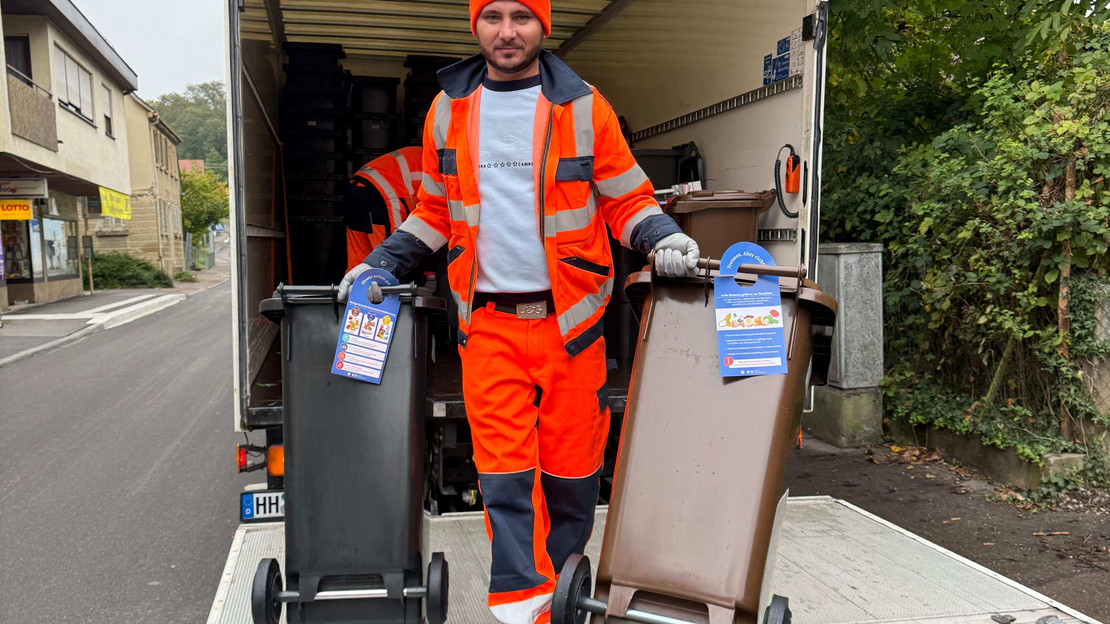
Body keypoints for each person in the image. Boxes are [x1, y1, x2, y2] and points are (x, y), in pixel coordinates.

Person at [338, 1, 700, 622]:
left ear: (544, 25)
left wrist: (662, 237)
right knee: (503, 479)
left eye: (522, 16)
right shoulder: (448, 107)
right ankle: (523, 607)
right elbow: (434, 209)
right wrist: (384, 262)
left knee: (572, 478)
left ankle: (562, 598)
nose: (508, 31)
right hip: (489, 327)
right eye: (494, 16)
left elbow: (625, 197)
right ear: (474, 25)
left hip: (574, 324)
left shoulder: (584, 105)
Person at [341, 146, 423, 272]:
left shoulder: (420, 154)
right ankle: (387, 289)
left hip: (356, 185)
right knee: (389, 259)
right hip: (383, 193)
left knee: (358, 260)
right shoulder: (437, 165)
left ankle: (354, 289)